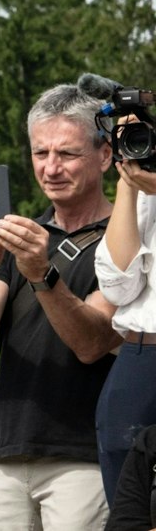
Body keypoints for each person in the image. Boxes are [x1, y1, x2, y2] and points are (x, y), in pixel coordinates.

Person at [0, 83, 120, 531]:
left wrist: (41, 272)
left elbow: (93, 342)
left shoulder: (123, 241)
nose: (51, 168)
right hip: (6, 453)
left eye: (66, 154)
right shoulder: (22, 234)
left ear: (104, 155)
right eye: (39, 153)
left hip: (83, 455)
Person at [96, 108, 155, 503]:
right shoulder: (145, 192)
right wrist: (128, 182)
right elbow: (117, 285)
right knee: (128, 508)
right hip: (138, 358)